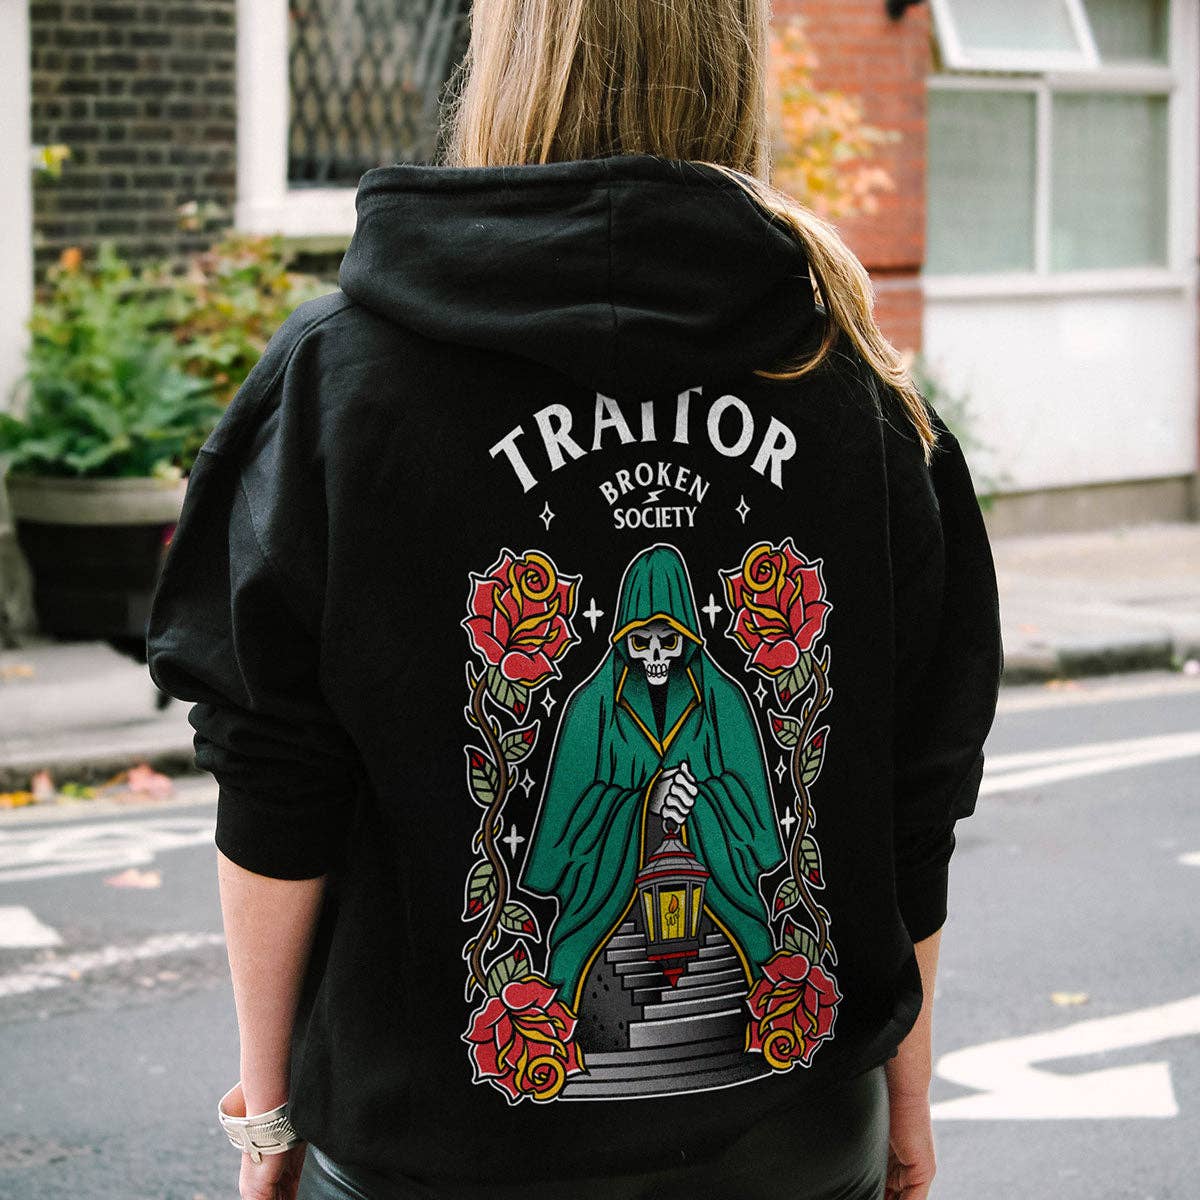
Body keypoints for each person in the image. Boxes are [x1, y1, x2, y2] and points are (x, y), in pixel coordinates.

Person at [145, 0, 1003, 1197]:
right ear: (736, 65)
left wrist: (268, 1111)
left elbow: (276, 773)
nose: (653, 660)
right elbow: (914, 786)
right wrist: (905, 1096)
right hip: (795, 1147)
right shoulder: (853, 388)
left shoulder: (344, 383)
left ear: (505, 59)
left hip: (434, 1153)